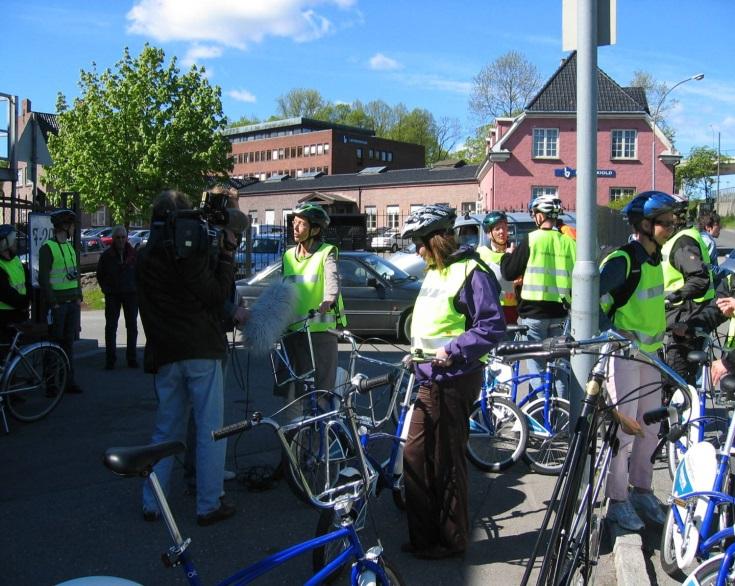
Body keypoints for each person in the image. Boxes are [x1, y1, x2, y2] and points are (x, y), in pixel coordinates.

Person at [399, 204, 506, 559]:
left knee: (446, 461)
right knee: (416, 457)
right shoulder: (435, 271)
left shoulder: (471, 271)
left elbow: (491, 326)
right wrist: (415, 352)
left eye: (419, 242)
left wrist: (454, 349)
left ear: (436, 239)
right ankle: (424, 537)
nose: (416, 250)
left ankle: (451, 540)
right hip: (429, 376)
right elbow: (432, 321)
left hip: (454, 378)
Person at [137, 190, 244, 527]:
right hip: (200, 350)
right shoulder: (190, 252)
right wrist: (225, 256)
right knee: (211, 429)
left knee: (166, 429)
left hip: (165, 351)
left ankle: (152, 501)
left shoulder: (144, 254)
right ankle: (208, 504)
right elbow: (214, 295)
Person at [598, 191, 678, 531]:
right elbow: (590, 303)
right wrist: (614, 332)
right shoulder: (623, 260)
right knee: (624, 430)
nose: (672, 227)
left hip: (651, 357)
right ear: (645, 225)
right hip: (624, 358)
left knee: (651, 428)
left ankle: (641, 489)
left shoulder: (656, 259)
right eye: (665, 223)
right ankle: (617, 500)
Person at [500, 194, 576, 398]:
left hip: (533, 315)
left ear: (541, 217)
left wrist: (508, 254)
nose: (534, 217)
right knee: (559, 368)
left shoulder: (532, 239)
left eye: (534, 214)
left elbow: (508, 272)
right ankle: (560, 415)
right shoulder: (569, 242)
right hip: (560, 313)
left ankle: (543, 414)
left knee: (536, 365)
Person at [280, 202, 346, 419]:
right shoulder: (288, 255)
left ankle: (321, 440)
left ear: (315, 230)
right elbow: (281, 290)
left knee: (321, 391)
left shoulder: (326, 253)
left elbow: (332, 280)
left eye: (301, 224)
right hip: (293, 332)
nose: (295, 227)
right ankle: (294, 443)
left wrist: (329, 299)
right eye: (294, 223)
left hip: (320, 332)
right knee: (294, 390)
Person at [662, 195, 715, 385]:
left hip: (686, 317)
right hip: (681, 315)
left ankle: (688, 414)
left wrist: (672, 297)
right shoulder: (677, 239)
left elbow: (699, 279)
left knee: (676, 381)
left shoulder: (683, 242)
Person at [38, 209, 83, 394]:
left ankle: (68, 381)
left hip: (72, 302)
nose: (73, 229)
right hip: (58, 304)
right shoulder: (48, 247)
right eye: (72, 225)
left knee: (68, 343)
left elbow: (75, 274)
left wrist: (79, 295)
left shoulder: (70, 247)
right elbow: (44, 278)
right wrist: (53, 302)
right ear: (65, 226)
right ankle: (51, 383)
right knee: (54, 343)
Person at [96, 225, 138, 370]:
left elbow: (139, 273)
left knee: (132, 326)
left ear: (127, 238)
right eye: (118, 237)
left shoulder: (133, 254)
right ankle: (110, 360)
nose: (121, 240)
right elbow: (100, 275)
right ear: (113, 239)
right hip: (113, 294)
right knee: (111, 327)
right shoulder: (106, 256)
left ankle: (132, 359)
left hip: (131, 294)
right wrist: (106, 289)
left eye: (123, 237)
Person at [476, 211, 519, 325]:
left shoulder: (515, 251)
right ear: (489, 234)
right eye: (497, 229)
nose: (502, 232)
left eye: (504, 228)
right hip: (492, 308)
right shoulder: (481, 254)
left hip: (513, 309)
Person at [0, 224, 31, 344]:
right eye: (13, 242)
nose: (15, 244)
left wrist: (28, 298)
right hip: (5, 317)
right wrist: (24, 302)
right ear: (5, 244)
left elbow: (27, 281)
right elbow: (5, 293)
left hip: (20, 315)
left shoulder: (16, 260)